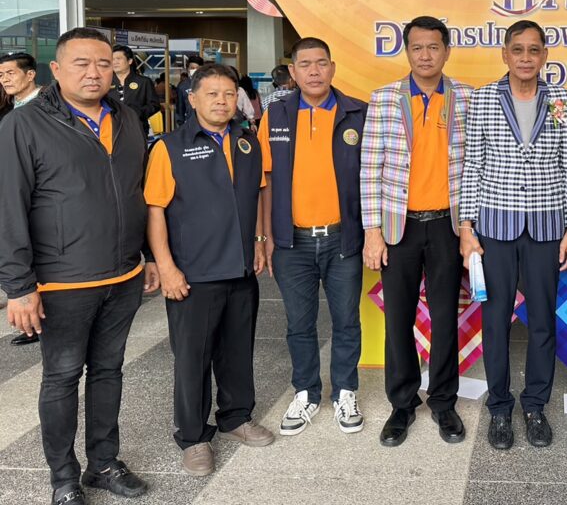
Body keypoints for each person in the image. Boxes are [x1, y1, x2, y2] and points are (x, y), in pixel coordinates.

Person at [0, 27, 159, 505]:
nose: (94, 73)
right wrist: (19, 287)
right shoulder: (23, 126)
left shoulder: (127, 118)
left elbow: (135, 193)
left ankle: (103, 463)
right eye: (81, 63)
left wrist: (148, 256)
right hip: (62, 282)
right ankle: (63, 477)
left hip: (123, 276)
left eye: (104, 64)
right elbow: (8, 209)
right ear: (55, 69)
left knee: (109, 371)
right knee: (62, 376)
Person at [459, 19, 567, 450]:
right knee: (495, 320)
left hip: (547, 227)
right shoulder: (483, 98)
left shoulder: (561, 99)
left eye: (534, 50)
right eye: (518, 50)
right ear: (505, 54)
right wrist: (466, 227)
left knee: (543, 320)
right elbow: (473, 164)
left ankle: (534, 405)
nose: (526, 58)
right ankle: (499, 407)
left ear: (544, 55)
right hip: (495, 227)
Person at [145, 63, 274, 476]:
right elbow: (155, 210)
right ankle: (193, 437)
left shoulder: (247, 141)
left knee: (237, 351)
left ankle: (236, 417)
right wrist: (166, 267)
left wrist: (259, 241)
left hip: (240, 270)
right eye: (213, 94)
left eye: (229, 93)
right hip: (193, 274)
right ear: (193, 98)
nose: (222, 101)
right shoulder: (169, 147)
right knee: (192, 359)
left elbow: (257, 194)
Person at [361, 16, 473, 447]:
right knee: (399, 319)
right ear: (406, 51)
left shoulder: (466, 97)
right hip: (399, 227)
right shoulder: (385, 98)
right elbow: (369, 168)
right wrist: (373, 231)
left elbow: (474, 166)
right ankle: (402, 404)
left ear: (447, 51)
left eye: (433, 47)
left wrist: (469, 228)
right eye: (417, 47)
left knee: (446, 317)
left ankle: (444, 402)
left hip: (447, 225)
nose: (425, 55)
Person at [257, 37, 368, 437]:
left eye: (321, 63)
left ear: (333, 68)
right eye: (305, 64)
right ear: (293, 71)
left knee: (347, 321)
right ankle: (306, 392)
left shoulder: (357, 113)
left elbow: (374, 176)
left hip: (343, 239)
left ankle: (345, 392)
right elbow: (265, 181)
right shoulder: (277, 113)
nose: (314, 71)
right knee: (299, 324)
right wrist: (265, 236)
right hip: (293, 242)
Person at [0, 51, 43, 345]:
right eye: (1, 75)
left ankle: (37, 324)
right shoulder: (10, 110)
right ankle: (32, 323)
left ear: (30, 75)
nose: (5, 79)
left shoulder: (47, 109)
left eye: (10, 73)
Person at [109, 45, 161, 135]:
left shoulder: (143, 82)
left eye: (118, 59)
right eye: (112, 59)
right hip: (112, 129)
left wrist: (138, 113)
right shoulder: (106, 82)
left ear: (130, 61)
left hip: (137, 128)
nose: (115, 62)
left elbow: (154, 105)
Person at [174, 55, 203, 128]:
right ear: (188, 69)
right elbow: (180, 109)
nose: (195, 70)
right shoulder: (183, 86)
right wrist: (181, 126)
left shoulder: (208, 84)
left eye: (198, 68)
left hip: (207, 124)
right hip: (190, 124)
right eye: (192, 68)